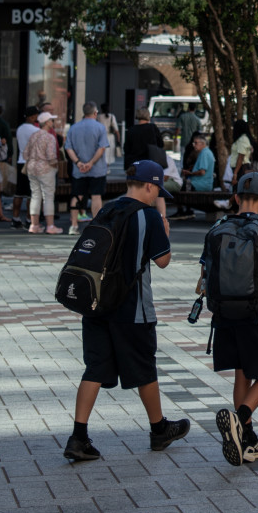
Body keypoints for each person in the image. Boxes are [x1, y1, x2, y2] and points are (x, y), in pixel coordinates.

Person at [63, 160, 189, 462]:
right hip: (132, 308)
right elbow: (162, 260)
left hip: (96, 304)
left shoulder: (107, 208)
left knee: (94, 368)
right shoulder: (148, 216)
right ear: (149, 185)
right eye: (158, 188)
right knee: (144, 367)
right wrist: (165, 232)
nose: (158, 193)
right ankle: (158, 429)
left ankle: (78, 436)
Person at [200, 171, 258, 465]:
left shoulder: (220, 224)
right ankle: (241, 419)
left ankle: (246, 439)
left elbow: (204, 274)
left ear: (236, 198)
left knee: (242, 373)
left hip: (224, 313)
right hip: (256, 314)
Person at [65, 101, 111, 218]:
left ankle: (74, 224)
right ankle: (96, 224)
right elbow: (102, 148)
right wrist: (91, 163)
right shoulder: (100, 128)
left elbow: (68, 148)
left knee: (77, 195)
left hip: (79, 169)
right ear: (95, 113)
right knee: (96, 196)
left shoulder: (73, 128)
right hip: (97, 169)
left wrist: (78, 162)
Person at [24, 112, 61, 233]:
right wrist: (56, 165)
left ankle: (34, 225)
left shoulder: (33, 135)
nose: (53, 122)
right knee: (48, 196)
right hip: (45, 168)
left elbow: (25, 153)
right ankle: (50, 226)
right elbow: (51, 156)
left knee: (35, 195)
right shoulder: (49, 137)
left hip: (32, 167)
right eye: (51, 120)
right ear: (47, 122)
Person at [12, 105, 40, 229]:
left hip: (21, 161)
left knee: (19, 192)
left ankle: (15, 218)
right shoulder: (34, 130)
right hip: (32, 162)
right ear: (32, 116)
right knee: (31, 194)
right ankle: (29, 219)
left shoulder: (20, 129)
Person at [179, 129, 215, 217]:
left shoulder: (204, 153)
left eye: (195, 143)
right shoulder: (206, 152)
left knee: (178, 186)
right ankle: (186, 210)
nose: (194, 145)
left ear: (202, 144)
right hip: (203, 183)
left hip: (200, 184)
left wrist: (190, 173)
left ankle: (182, 211)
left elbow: (202, 171)